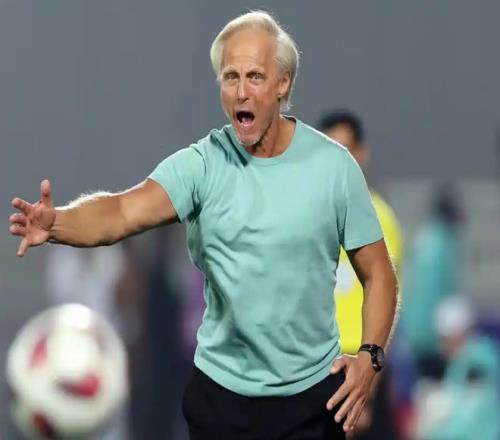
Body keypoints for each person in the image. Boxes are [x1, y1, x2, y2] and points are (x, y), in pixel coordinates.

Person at [9, 11, 397, 440]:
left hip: (311, 401)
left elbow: (379, 274)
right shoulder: (201, 166)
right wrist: (58, 222)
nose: (241, 91)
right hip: (223, 401)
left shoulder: (333, 168)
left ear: (283, 84)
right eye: (231, 77)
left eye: (255, 76)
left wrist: (370, 358)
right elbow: (122, 211)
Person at [320, 110, 403, 439]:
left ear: (361, 154)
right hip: (315, 363)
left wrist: (368, 384)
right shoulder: (309, 216)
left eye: (345, 151)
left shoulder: (379, 218)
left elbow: (388, 299)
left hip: (360, 361)